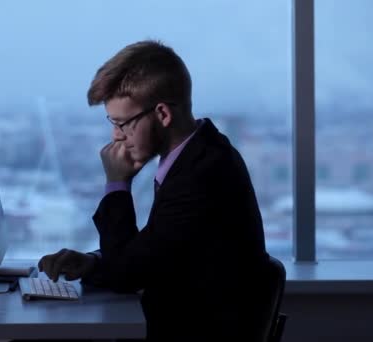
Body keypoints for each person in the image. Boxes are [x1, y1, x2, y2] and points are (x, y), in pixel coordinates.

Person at [38, 40, 270, 341]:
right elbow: (150, 254)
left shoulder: (202, 175)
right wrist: (93, 263)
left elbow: (128, 275)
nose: (116, 136)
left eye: (123, 123)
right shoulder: (199, 155)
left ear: (162, 114)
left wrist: (117, 184)